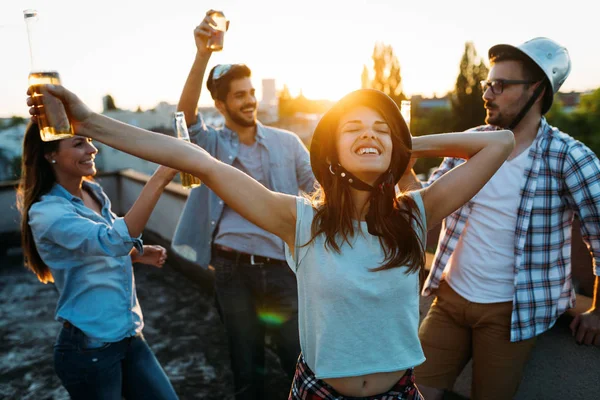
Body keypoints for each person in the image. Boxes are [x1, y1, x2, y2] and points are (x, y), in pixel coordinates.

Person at [26, 84, 514, 399]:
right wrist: (88, 123)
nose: (371, 135)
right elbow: (198, 161)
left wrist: (403, 144)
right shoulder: (300, 220)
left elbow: (499, 144)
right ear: (332, 153)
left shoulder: (415, 213)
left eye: (381, 130)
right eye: (355, 129)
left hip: (402, 394)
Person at [399, 37, 600, 400]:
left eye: (500, 85)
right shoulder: (469, 144)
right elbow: (427, 206)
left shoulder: (569, 157)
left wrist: (599, 310)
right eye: (486, 84)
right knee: (411, 392)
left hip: (512, 313)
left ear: (538, 91)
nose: (487, 94)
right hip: (449, 299)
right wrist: (403, 170)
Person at [171, 10, 315, 398]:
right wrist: (202, 55)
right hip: (233, 271)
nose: (250, 101)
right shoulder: (212, 145)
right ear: (220, 104)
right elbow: (183, 122)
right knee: (246, 365)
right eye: (240, 95)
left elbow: (319, 191)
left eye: (251, 92)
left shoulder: (288, 143)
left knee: (299, 361)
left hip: (285, 267)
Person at [16, 122, 180, 400]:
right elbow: (113, 240)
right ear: (49, 154)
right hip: (89, 350)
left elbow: (109, 238)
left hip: (128, 336)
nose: (92, 148)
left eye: (90, 140)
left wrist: (139, 253)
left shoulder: (92, 191)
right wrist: (161, 176)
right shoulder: (47, 213)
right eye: (79, 143)